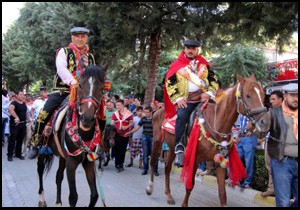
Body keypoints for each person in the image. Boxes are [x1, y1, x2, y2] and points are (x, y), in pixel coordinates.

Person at [27, 25, 96, 159]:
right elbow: (61, 69)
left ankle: (98, 145)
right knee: (44, 113)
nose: (80, 39)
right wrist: (73, 82)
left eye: (83, 37)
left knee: (98, 113)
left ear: (87, 39)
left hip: (83, 94)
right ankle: (35, 142)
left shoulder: (90, 57)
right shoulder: (64, 52)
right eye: (77, 36)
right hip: (63, 92)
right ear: (72, 37)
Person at [164, 39, 219, 167]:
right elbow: (169, 83)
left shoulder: (204, 64)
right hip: (187, 100)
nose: (190, 50)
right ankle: (179, 147)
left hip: (204, 98)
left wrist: (209, 93)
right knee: (182, 117)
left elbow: (214, 81)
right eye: (188, 48)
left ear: (197, 50)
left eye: (193, 48)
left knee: (217, 114)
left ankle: (221, 144)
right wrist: (178, 98)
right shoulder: (177, 65)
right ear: (184, 49)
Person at [267, 83, 298, 207]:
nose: (295, 98)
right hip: (282, 162)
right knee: (284, 202)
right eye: (292, 95)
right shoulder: (273, 113)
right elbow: (260, 133)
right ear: (285, 96)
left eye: (297, 95)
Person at [261, 90, 283, 197]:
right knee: (269, 165)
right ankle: (272, 188)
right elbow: (263, 127)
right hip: (270, 143)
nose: (271, 102)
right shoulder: (270, 112)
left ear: (281, 100)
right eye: (270, 99)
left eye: (273, 99)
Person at [126, 105, 159, 176]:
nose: (146, 114)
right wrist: (130, 132)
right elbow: (137, 127)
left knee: (154, 154)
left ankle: (155, 170)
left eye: (147, 112)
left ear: (151, 112)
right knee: (145, 154)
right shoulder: (143, 119)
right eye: (145, 112)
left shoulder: (155, 119)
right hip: (144, 137)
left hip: (153, 137)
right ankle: (145, 169)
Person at [235, 113, 258, 188]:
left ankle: (247, 182)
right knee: (237, 158)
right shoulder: (242, 113)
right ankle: (237, 179)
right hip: (241, 137)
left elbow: (259, 124)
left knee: (249, 161)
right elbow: (239, 125)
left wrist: (252, 131)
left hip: (250, 137)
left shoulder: (255, 111)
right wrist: (237, 136)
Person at [7, 90, 31, 161]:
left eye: (23, 94)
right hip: (15, 124)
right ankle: (10, 155)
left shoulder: (24, 103)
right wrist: (16, 117)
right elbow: (11, 110)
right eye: (20, 94)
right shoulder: (13, 103)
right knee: (12, 140)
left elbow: (25, 112)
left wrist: (29, 119)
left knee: (20, 140)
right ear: (16, 95)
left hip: (23, 124)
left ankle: (18, 154)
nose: (22, 96)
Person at [111, 99, 133, 173]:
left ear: (123, 105)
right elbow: (112, 123)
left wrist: (126, 127)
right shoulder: (115, 114)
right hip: (117, 134)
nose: (117, 107)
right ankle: (117, 164)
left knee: (123, 150)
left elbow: (131, 123)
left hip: (125, 134)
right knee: (116, 149)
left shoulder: (128, 114)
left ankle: (121, 164)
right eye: (116, 105)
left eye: (119, 105)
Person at [2, 81, 10, 146]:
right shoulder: (7, 98)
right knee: (3, 129)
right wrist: (5, 84)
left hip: (3, 114)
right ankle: (2, 140)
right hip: (5, 116)